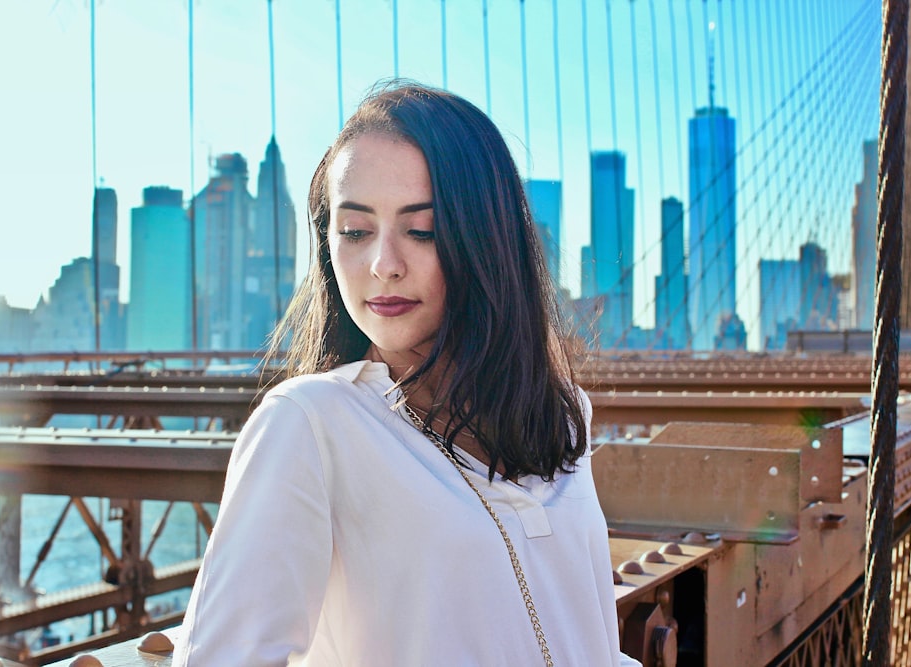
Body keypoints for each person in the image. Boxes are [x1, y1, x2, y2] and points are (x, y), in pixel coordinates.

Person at [173, 82, 640, 667]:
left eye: (422, 230)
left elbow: (591, 641)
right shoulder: (309, 425)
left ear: (489, 241)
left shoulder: (561, 413)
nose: (383, 265)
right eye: (355, 232)